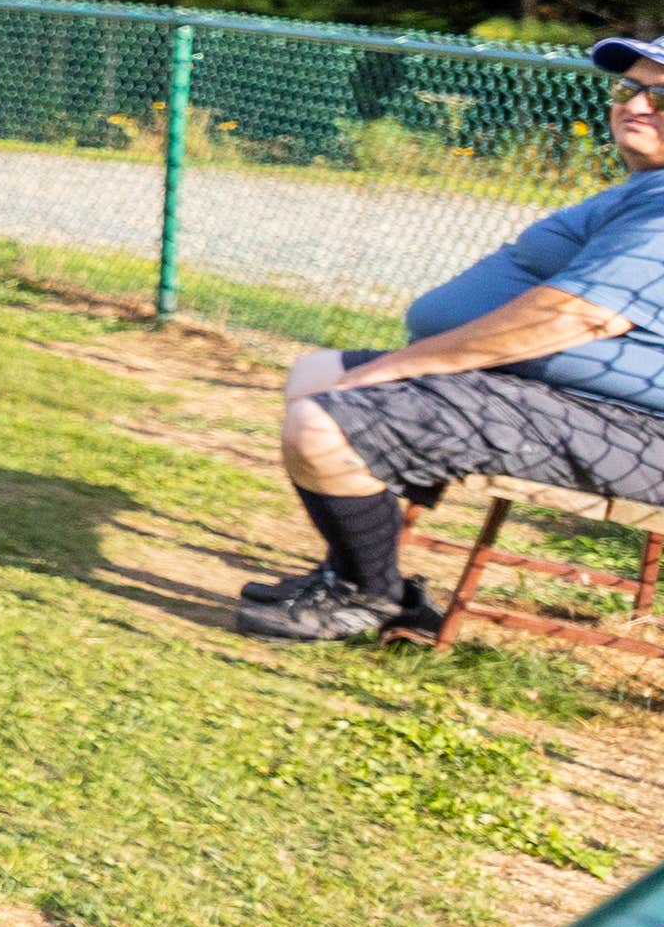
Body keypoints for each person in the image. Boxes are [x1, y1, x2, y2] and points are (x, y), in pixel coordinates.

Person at [243, 37, 664, 640]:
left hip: (634, 428)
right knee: (315, 373)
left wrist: (401, 366)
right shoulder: (646, 186)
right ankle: (361, 578)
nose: (637, 105)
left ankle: (367, 597)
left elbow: (576, 317)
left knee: (323, 423)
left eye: (662, 96)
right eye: (629, 89)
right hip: (564, 395)